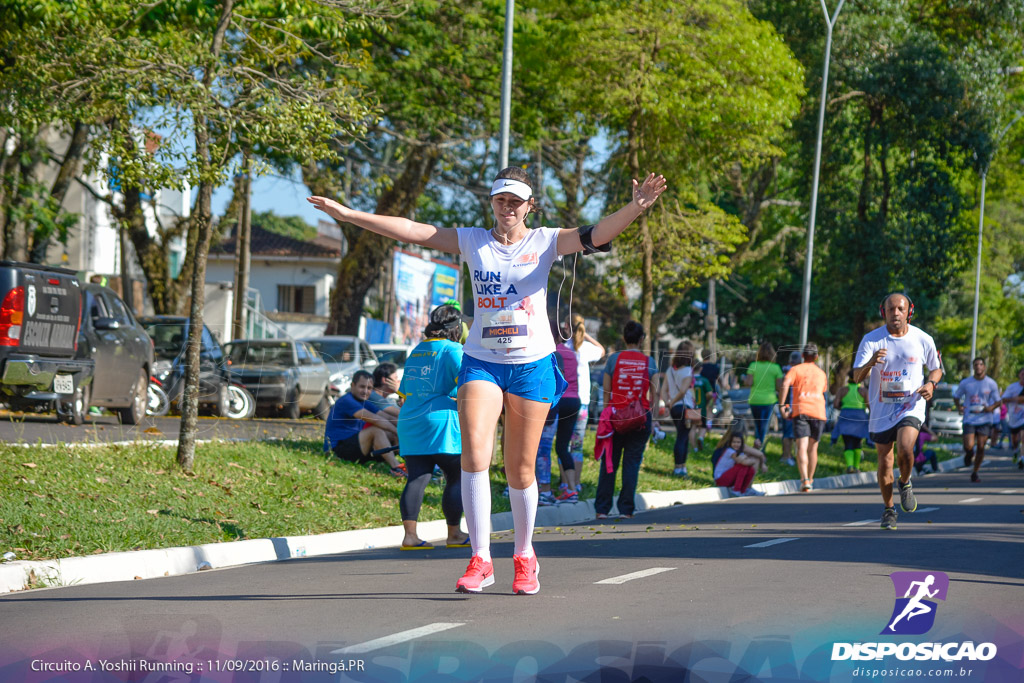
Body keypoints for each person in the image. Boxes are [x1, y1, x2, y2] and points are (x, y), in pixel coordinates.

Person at [309, 166, 666, 595]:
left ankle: (524, 555)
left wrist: (635, 207)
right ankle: (480, 558)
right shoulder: (472, 240)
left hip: (532, 364)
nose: (508, 207)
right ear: (492, 203)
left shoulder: (546, 240)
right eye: (501, 199)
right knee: (474, 457)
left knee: (519, 468)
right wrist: (350, 215)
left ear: (530, 205)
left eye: (516, 200)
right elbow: (411, 230)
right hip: (481, 361)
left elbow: (597, 232)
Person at [853, 292, 943, 531]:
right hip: (882, 409)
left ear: (909, 311)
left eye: (900, 309)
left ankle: (905, 482)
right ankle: (889, 509)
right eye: (890, 309)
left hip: (911, 404)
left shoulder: (922, 339)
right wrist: (871, 362)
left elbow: (936, 369)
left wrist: (931, 384)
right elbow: (855, 376)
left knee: (905, 447)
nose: (895, 313)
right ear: (883, 312)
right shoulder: (871, 340)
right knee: (885, 461)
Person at [396, 305, 470, 549]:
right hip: (441, 423)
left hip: (410, 420)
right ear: (456, 328)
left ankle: (410, 536)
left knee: (417, 477)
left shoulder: (417, 351)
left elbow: (403, 393)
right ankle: (454, 534)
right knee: (455, 477)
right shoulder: (453, 350)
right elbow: (467, 387)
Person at [596, 320, 660, 519]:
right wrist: (654, 417)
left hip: (616, 417)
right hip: (640, 419)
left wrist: (607, 412)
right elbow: (655, 393)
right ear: (641, 340)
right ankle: (626, 509)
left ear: (624, 338)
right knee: (631, 464)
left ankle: (602, 509)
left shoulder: (614, 360)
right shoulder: (650, 362)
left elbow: (607, 392)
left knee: (609, 462)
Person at [552, 315, 604, 502]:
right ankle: (578, 483)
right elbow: (602, 350)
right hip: (582, 401)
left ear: (566, 326)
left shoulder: (562, 348)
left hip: (563, 399)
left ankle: (565, 483)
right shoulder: (585, 349)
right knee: (577, 445)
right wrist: (586, 335)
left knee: (562, 443)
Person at [323, 370, 405, 476]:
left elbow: (387, 417)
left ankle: (413, 465)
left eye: (369, 388)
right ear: (352, 385)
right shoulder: (346, 401)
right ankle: (396, 467)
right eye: (362, 387)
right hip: (336, 450)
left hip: (355, 446)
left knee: (392, 433)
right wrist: (399, 432)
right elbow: (376, 419)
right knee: (376, 430)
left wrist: (406, 428)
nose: (366, 391)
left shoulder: (364, 401)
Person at [778, 343, 828, 492]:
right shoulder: (821, 373)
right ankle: (810, 480)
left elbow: (785, 383)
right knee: (813, 448)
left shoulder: (795, 369)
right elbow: (823, 390)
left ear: (802, 356)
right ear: (816, 357)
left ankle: (804, 479)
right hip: (818, 411)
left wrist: (782, 405)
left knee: (802, 446)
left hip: (801, 410)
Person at [953, 357, 1001, 483]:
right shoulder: (966, 383)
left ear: (984, 367)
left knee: (981, 446)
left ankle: (975, 472)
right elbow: (956, 396)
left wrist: (990, 407)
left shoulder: (991, 383)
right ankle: (969, 454)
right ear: (973, 367)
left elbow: (998, 401)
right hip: (970, 418)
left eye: (981, 364)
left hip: (985, 419)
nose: (978, 366)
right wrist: (959, 407)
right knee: (968, 446)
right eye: (976, 364)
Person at [662, 340, 695, 476]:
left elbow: (663, 390)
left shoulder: (670, 370)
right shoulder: (688, 370)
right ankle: (679, 467)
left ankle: (681, 467)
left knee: (682, 436)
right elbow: (683, 391)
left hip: (675, 408)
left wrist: (668, 403)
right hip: (685, 408)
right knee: (682, 437)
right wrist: (673, 401)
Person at [745, 341, 784, 450]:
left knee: (757, 426)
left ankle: (757, 446)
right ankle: (760, 448)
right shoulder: (776, 368)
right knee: (764, 426)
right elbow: (779, 387)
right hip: (769, 400)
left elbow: (749, 383)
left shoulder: (753, 365)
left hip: (754, 399)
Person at [711, 422, 767, 497]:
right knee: (751, 461)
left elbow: (744, 457)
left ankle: (743, 489)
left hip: (725, 474)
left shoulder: (728, 443)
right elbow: (759, 455)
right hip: (722, 478)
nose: (736, 443)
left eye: (738, 442)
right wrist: (762, 464)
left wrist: (754, 448)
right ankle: (745, 488)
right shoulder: (732, 448)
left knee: (748, 463)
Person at [831, 370, 870, 473]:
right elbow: (869, 406)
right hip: (860, 419)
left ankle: (849, 466)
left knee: (847, 442)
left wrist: (844, 407)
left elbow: (835, 404)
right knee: (858, 443)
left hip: (845, 417)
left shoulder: (842, 390)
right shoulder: (863, 391)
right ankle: (856, 467)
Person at [778, 350, 802, 467]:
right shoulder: (791, 372)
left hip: (789, 406)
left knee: (790, 434)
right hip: (790, 406)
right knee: (789, 434)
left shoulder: (785, 371)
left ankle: (788, 455)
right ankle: (786, 456)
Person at [1001, 367, 1024, 469]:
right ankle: (1015, 451)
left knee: (1023, 437)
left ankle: (1022, 458)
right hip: (1014, 417)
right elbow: (1004, 399)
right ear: (1019, 375)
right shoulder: (1012, 387)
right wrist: (1016, 399)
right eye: (1022, 374)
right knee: (1015, 440)